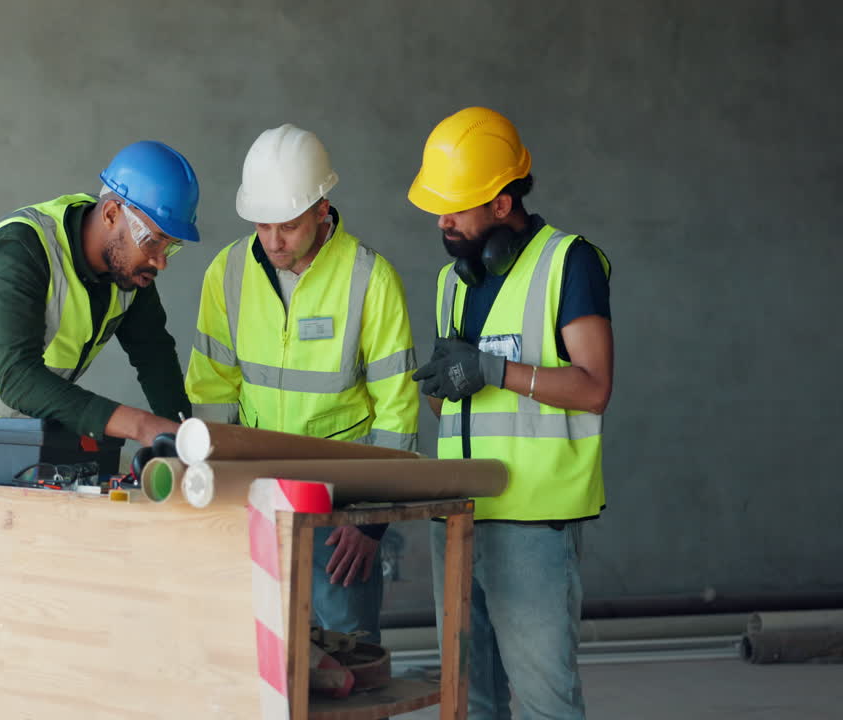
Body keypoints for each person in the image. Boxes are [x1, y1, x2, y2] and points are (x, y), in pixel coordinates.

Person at [0, 140, 199, 716]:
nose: (159, 260)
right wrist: (138, 424)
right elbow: (17, 378)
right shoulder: (21, 248)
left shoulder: (128, 273)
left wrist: (184, 436)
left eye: (170, 247)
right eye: (154, 240)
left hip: (20, 439)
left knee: (39, 601)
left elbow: (155, 354)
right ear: (112, 213)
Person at [409, 107, 614, 720]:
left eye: (456, 205)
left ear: (502, 204)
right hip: (458, 520)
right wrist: (441, 386)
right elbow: (454, 403)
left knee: (546, 705)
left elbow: (594, 387)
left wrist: (495, 372)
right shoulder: (452, 280)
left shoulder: (567, 264)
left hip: (533, 525)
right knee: (470, 703)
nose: (441, 220)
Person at [186, 124, 419, 642]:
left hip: (342, 513)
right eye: (262, 226)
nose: (273, 242)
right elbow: (213, 390)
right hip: (255, 499)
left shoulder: (370, 279)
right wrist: (215, 494)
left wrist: (373, 522)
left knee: (348, 666)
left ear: (321, 207)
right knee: (255, 663)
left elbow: (397, 411)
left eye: (287, 226)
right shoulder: (227, 273)